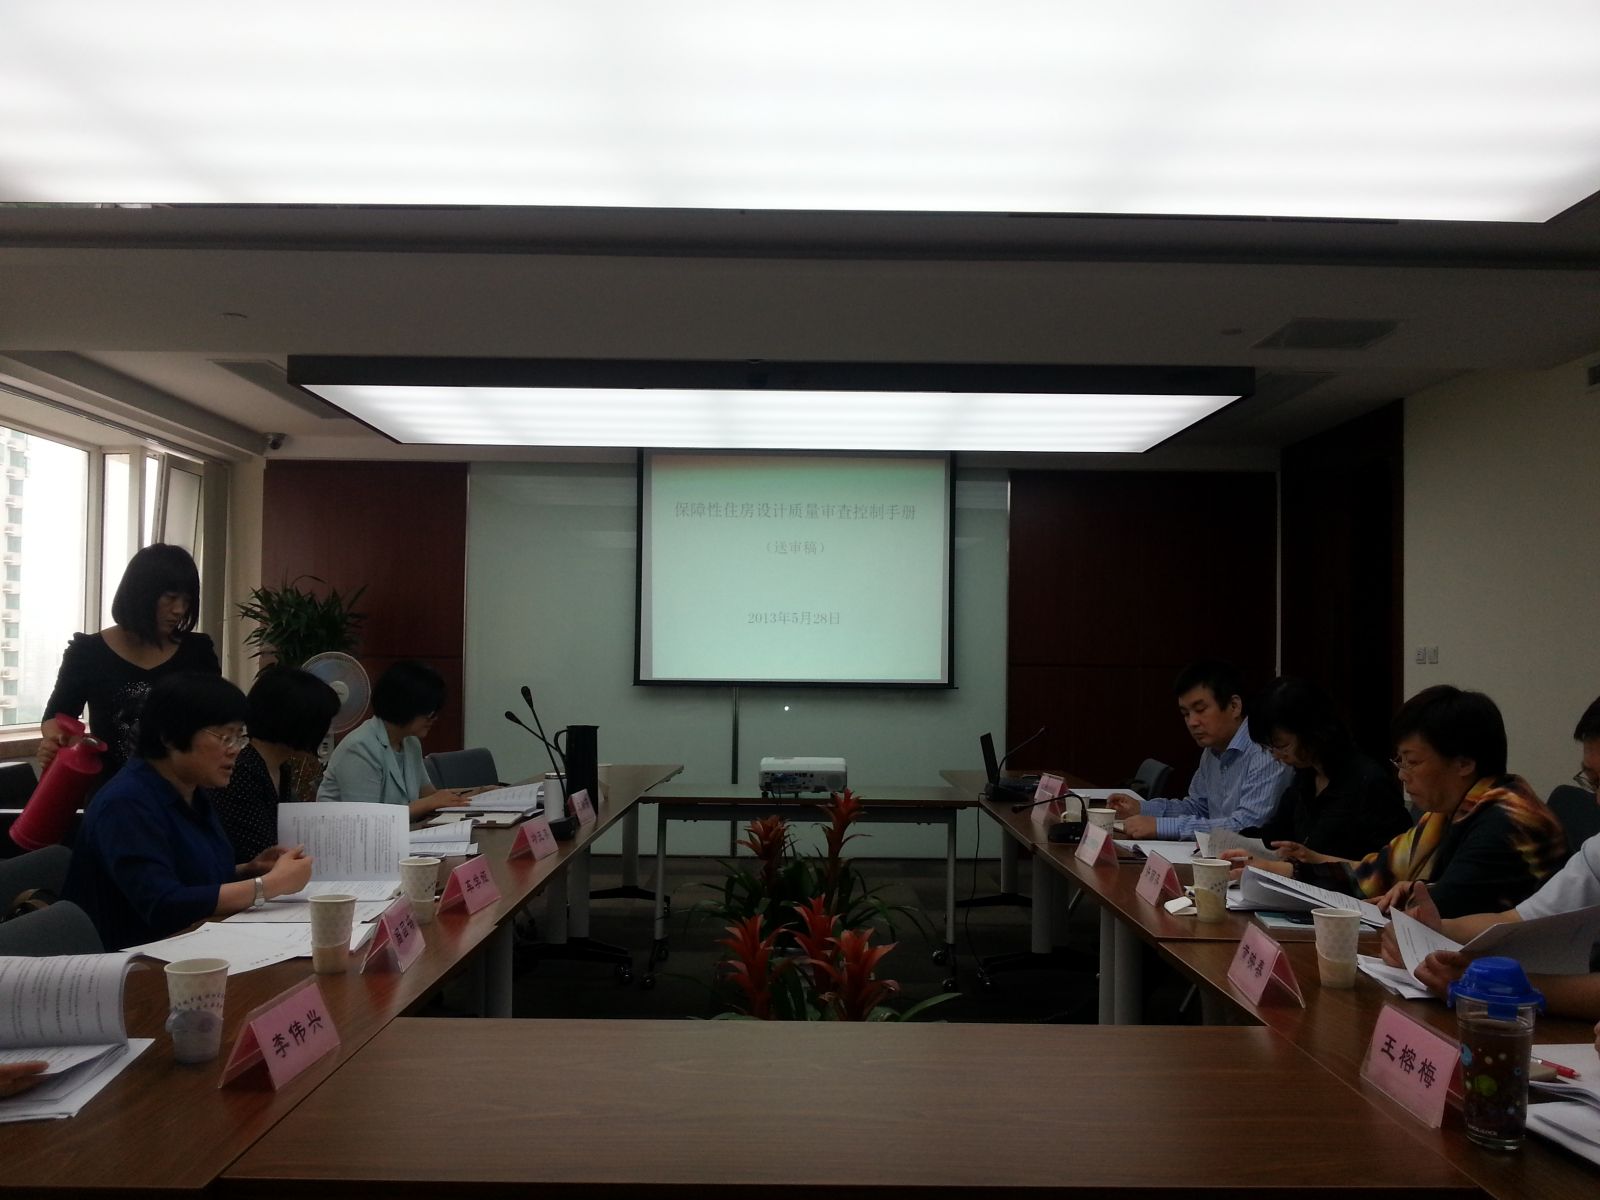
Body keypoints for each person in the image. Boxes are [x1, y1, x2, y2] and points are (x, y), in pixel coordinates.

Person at [1376, 694, 1600, 1017]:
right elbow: (1518, 921)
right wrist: (1434, 929)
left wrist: (1502, 989)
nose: (1597, 801)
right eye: (1593, 783)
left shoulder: (1509, 820)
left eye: (1412, 761)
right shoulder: (1596, 851)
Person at [61, 672, 314, 951]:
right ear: (170, 737)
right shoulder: (125, 804)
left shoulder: (192, 791)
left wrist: (247, 870)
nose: (235, 750)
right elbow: (163, 904)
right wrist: (267, 885)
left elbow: (186, 877)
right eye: (224, 737)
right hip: (136, 960)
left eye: (239, 737)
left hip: (193, 944)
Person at [1267, 685, 1566, 918]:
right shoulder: (1452, 810)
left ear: (1464, 763)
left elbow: (1440, 910)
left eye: (1412, 762)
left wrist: (1408, 895)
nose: (1402, 775)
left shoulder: (1508, 822)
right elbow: (1378, 872)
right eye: (1400, 761)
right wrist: (1281, 870)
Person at [38, 544, 220, 784]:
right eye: (170, 598)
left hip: (180, 793)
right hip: (111, 793)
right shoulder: (88, 652)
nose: (179, 610)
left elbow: (218, 720)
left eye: (186, 601)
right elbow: (57, 717)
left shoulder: (197, 652)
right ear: (141, 594)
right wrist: (55, 740)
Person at [1217, 677, 1411, 873]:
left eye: (1282, 746)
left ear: (1312, 732)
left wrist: (1307, 862)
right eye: (1269, 748)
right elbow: (1276, 834)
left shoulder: (1369, 782)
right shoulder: (1305, 776)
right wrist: (1240, 847)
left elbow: (1388, 868)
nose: (1276, 756)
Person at [1108, 660, 1293, 840]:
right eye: (1185, 714)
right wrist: (1142, 809)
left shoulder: (1266, 750)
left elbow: (1247, 827)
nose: (1192, 722)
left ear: (1234, 706)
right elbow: (1197, 807)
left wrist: (1161, 827)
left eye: (1200, 709)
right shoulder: (1212, 750)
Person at [210, 666, 340, 862]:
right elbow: (257, 852)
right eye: (322, 723)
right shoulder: (242, 771)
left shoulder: (280, 767)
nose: (327, 731)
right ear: (298, 723)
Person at [316, 660, 469, 819]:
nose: (434, 718)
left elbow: (428, 794)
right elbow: (368, 817)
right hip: (353, 832)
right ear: (405, 706)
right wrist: (431, 802)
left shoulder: (411, 743)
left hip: (402, 830)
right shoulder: (359, 748)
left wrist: (478, 792)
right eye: (429, 712)